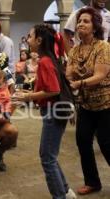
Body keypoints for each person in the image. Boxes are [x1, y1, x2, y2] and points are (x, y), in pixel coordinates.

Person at [12, 24, 77, 199]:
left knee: (47, 158)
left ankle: (60, 196)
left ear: (39, 41)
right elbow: (49, 88)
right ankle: (65, 191)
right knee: (50, 156)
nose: (28, 39)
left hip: (52, 112)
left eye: (30, 36)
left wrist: (28, 97)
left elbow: (54, 90)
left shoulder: (45, 62)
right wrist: (28, 93)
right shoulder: (49, 59)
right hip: (53, 111)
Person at [66, 7, 110, 195]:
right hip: (85, 104)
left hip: (106, 104)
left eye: (86, 21)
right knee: (83, 142)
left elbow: (100, 75)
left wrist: (79, 82)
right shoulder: (75, 50)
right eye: (80, 21)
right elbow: (68, 73)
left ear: (95, 26)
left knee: (107, 144)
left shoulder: (104, 47)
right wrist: (73, 81)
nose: (81, 24)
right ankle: (92, 182)